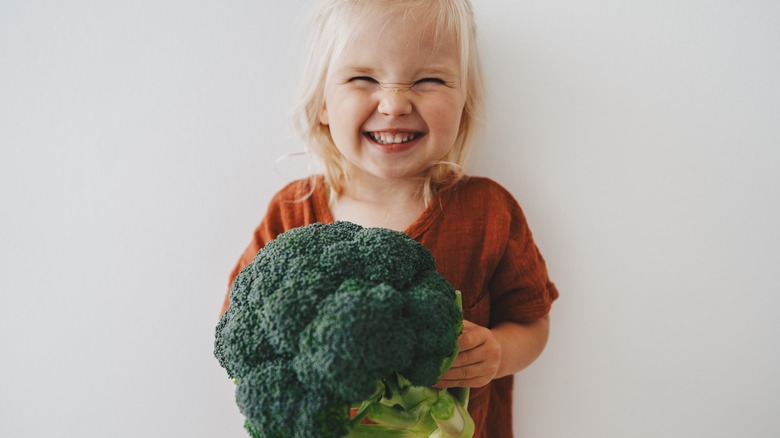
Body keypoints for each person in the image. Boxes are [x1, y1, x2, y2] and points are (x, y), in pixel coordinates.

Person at [220, 0, 558, 436]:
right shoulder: (292, 212)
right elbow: (242, 326)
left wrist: (498, 352)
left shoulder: (488, 213)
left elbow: (532, 320)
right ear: (323, 102)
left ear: (464, 103)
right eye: (363, 78)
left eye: (429, 79)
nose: (395, 103)